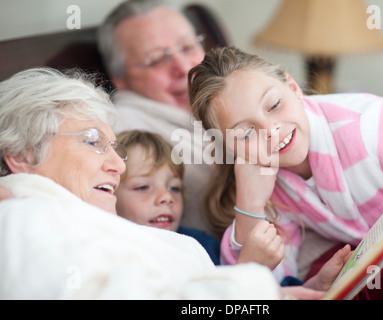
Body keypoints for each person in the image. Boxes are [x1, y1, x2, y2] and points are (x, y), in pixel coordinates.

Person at [0, 67, 349, 300]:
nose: (117, 164)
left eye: (113, 146)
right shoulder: (21, 220)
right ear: (22, 154)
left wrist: (286, 293)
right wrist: (252, 285)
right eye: (92, 141)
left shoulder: (92, 223)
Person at [187, 47, 383, 286]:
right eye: (245, 134)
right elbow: (257, 282)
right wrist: (249, 207)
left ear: (293, 86)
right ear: (229, 147)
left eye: (275, 105)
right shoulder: (265, 182)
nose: (271, 130)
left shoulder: (372, 124)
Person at [97, 0, 213, 233]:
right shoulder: (120, 131)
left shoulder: (231, 92)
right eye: (157, 60)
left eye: (188, 47)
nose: (183, 67)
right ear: (121, 79)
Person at [114, 130, 220, 265]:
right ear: (109, 195)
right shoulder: (106, 249)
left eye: (174, 188)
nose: (167, 196)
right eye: (143, 187)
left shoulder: (203, 246)